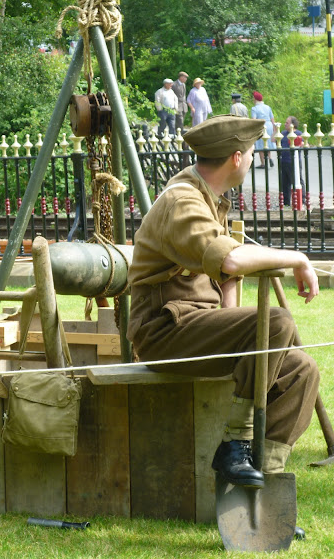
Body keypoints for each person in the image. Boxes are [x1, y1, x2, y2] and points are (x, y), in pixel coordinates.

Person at [127, 115, 319, 496]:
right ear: (236, 157)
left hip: (193, 326)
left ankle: (261, 489)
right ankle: (236, 444)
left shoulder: (206, 198)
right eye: (251, 153)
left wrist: (233, 320)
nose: (252, 160)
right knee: (276, 322)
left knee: (303, 372)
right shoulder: (182, 201)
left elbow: (225, 275)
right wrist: (298, 257)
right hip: (163, 332)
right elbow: (229, 261)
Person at [279, 116, 305, 206]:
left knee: (297, 180)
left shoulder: (298, 134)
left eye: (287, 123)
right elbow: (274, 140)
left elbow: (304, 144)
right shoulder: (283, 133)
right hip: (284, 160)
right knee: (285, 182)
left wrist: (302, 144)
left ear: (292, 125)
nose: (285, 124)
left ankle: (302, 199)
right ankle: (286, 201)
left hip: (293, 161)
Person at [251, 91, 276, 168]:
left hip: (261, 126)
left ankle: (263, 163)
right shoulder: (267, 107)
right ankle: (270, 158)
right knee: (267, 142)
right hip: (269, 125)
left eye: (253, 98)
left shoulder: (254, 108)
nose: (252, 99)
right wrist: (274, 127)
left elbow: (254, 120)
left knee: (260, 144)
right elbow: (272, 118)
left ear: (255, 99)